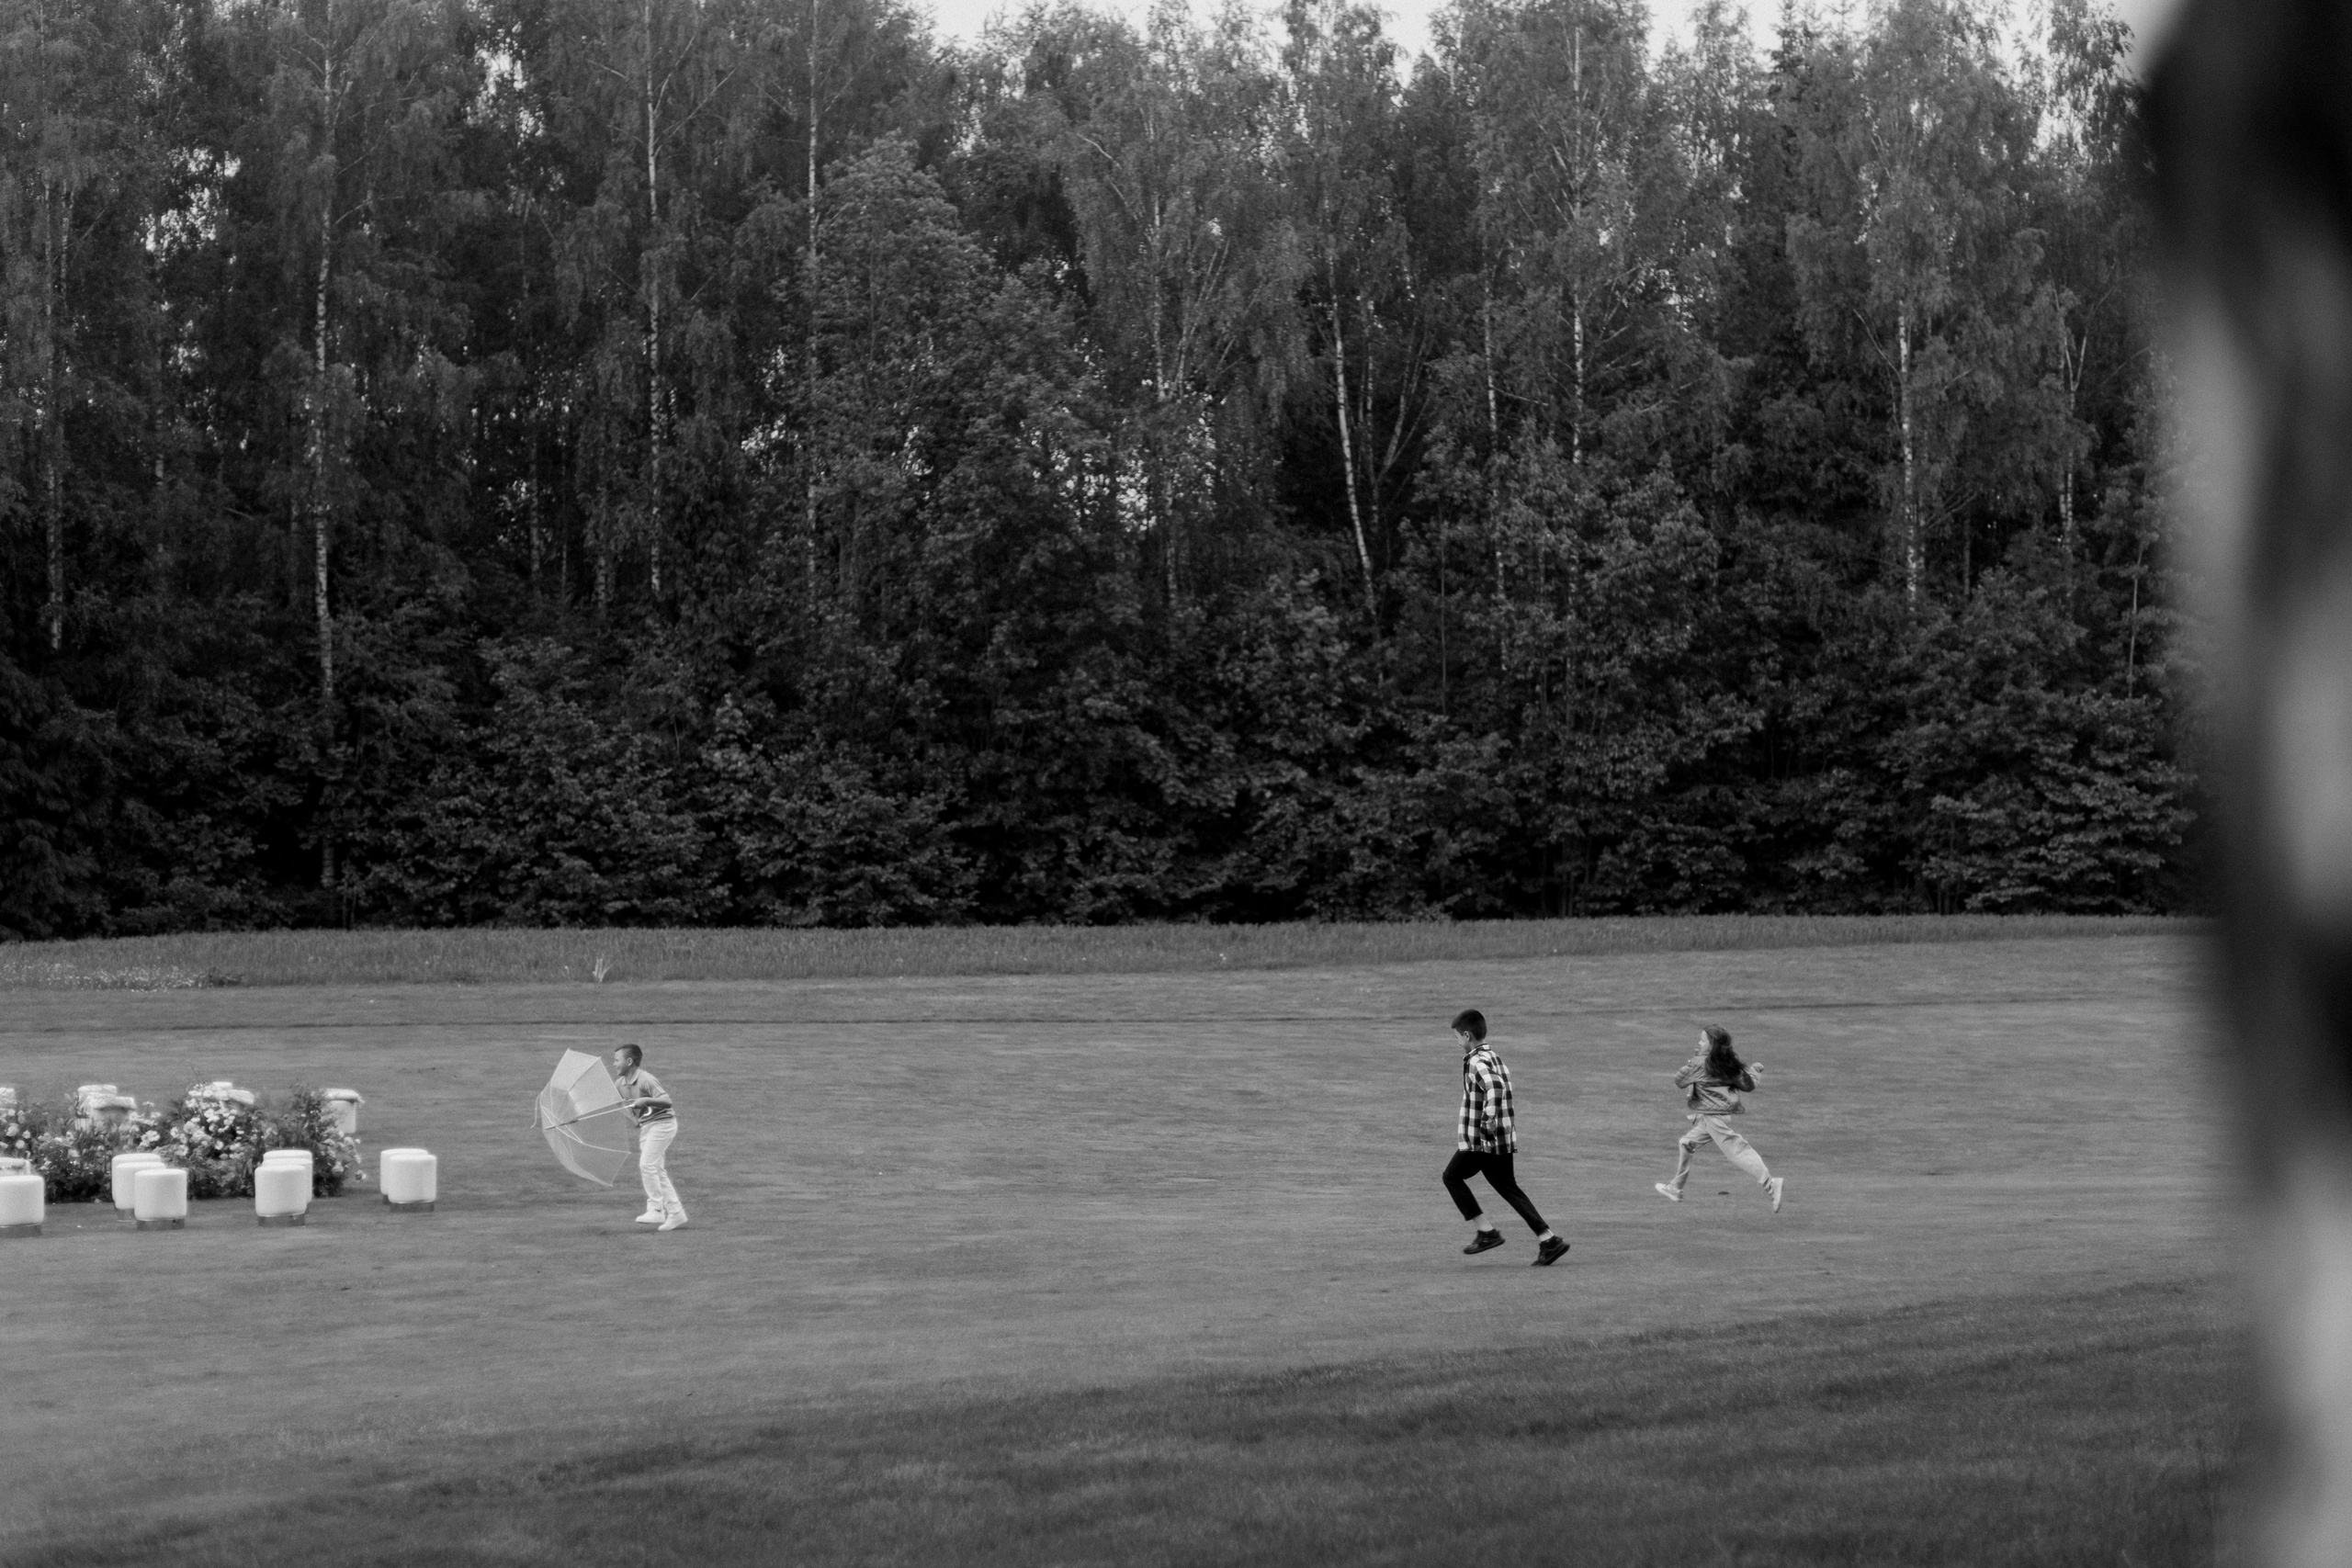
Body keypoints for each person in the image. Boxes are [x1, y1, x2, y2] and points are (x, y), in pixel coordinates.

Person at [1442, 1010, 1570, 1266]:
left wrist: (1488, 1119)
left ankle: (1486, 1232)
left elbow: (1496, 1087)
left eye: (1456, 1037)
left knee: (1451, 1177)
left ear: (1467, 1035)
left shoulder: (1476, 1061)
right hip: (1502, 1138)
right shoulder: (1493, 1056)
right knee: (1508, 1188)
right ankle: (1549, 1239)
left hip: (1482, 1140)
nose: (1456, 1042)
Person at [1655, 1026, 1783, 1213]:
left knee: (1737, 1150)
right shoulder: (1728, 1064)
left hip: (1712, 1116)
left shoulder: (1700, 1063)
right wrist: (1755, 1070)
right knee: (1687, 1143)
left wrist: (1693, 1063)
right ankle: (1675, 1187)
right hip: (1717, 1114)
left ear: (1712, 1045)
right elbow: (1748, 1085)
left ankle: (1771, 1184)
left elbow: (1679, 1081)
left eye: (1702, 1040)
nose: (1699, 1043)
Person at [612, 1043, 687, 1231]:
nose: (614, 1064)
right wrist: (633, 1119)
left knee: (647, 1165)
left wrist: (646, 1100)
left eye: (617, 1060)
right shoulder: (619, 1084)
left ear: (629, 1061)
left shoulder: (646, 1080)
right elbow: (618, 1104)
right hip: (647, 1127)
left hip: (663, 1125)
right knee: (657, 1170)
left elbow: (667, 1101)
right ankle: (676, 1213)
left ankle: (656, 1209)